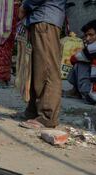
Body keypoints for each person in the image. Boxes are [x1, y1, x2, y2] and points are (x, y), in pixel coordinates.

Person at [18, 0, 66, 129]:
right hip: (41, 18)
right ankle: (33, 111)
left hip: (45, 19)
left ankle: (47, 117)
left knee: (47, 69)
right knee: (37, 69)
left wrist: (24, 6)